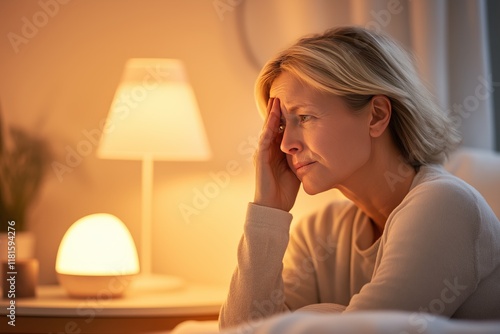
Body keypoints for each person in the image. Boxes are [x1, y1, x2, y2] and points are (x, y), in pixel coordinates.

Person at [218, 26, 500, 329]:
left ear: (377, 115)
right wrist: (268, 211)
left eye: (304, 117)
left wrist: (315, 317)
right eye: (283, 126)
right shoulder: (318, 234)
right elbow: (240, 330)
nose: (286, 145)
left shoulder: (445, 204)